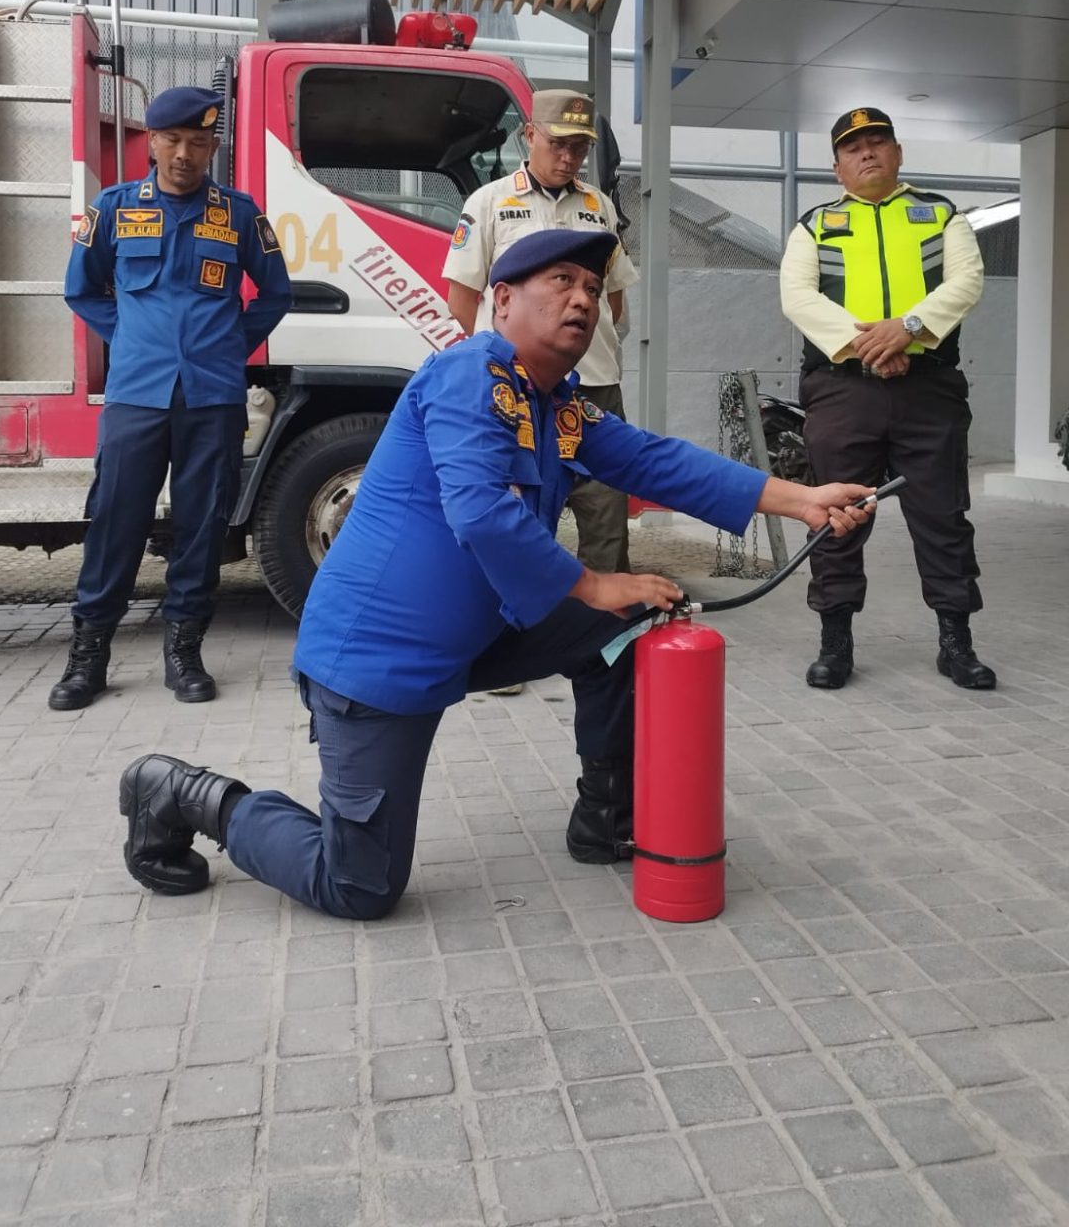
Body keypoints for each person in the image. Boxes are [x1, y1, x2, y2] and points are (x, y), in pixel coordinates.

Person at [119, 227, 874, 916]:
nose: (583, 299)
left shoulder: (553, 404)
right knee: (357, 885)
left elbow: (651, 459)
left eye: (591, 289)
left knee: (632, 619)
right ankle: (184, 795)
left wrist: (802, 499)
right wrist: (590, 583)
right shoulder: (468, 375)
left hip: (485, 631)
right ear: (502, 299)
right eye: (562, 282)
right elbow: (479, 510)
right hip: (381, 664)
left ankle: (608, 816)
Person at [48, 86, 291, 712]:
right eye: (173, 140)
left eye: (199, 142)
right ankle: (88, 657)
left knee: (202, 524)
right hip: (137, 394)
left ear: (213, 145)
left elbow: (275, 293)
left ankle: (184, 653)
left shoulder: (237, 214)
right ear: (151, 141)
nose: (186, 153)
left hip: (212, 396)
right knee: (116, 521)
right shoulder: (115, 207)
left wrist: (231, 343)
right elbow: (81, 290)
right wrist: (127, 338)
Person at [779, 106, 995, 693]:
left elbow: (966, 282)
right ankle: (836, 642)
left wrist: (910, 327)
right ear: (837, 167)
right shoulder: (815, 224)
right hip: (843, 389)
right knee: (836, 516)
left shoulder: (940, 215)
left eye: (878, 142)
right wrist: (869, 343)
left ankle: (957, 643)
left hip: (929, 389)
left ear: (898, 154)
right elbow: (798, 297)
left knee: (944, 517)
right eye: (854, 148)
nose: (868, 153)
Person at [443, 90, 637, 578]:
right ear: (529, 135)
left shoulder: (600, 208)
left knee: (606, 515)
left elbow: (614, 302)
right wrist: (502, 362)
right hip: (515, 388)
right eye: (558, 144)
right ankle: (519, 627)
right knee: (520, 509)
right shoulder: (489, 202)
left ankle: (603, 640)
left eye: (580, 147)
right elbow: (462, 299)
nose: (569, 157)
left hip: (592, 386)